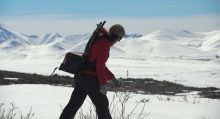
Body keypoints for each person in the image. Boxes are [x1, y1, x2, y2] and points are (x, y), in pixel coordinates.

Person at [59, 24, 125, 119]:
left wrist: (113, 79)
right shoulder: (104, 43)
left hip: (81, 75)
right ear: (118, 37)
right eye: (120, 38)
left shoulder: (100, 40)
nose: (118, 41)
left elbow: (97, 63)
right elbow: (100, 65)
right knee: (102, 103)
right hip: (89, 78)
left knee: (74, 104)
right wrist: (103, 84)